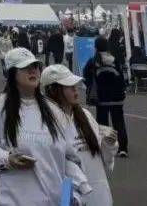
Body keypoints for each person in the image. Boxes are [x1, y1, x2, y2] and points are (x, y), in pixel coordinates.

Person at [0, 48, 90, 205]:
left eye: (35, 66)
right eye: (25, 67)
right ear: (11, 73)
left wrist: (73, 196)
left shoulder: (54, 111)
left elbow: (69, 158)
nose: (33, 71)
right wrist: (8, 159)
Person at [40, 65, 117, 206]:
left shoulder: (85, 116)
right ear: (53, 90)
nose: (75, 90)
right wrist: (67, 199)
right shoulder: (45, 123)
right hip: (69, 194)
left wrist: (109, 143)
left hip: (98, 191)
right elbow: (53, 166)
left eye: (75, 85)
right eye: (69, 86)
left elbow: (104, 159)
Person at [83, 37, 130, 157]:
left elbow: (86, 76)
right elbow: (123, 77)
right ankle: (123, 148)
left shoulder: (93, 61)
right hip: (117, 97)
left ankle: (105, 148)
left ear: (96, 47)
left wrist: (90, 86)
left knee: (102, 123)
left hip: (101, 97)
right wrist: (123, 90)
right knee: (119, 122)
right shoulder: (115, 60)